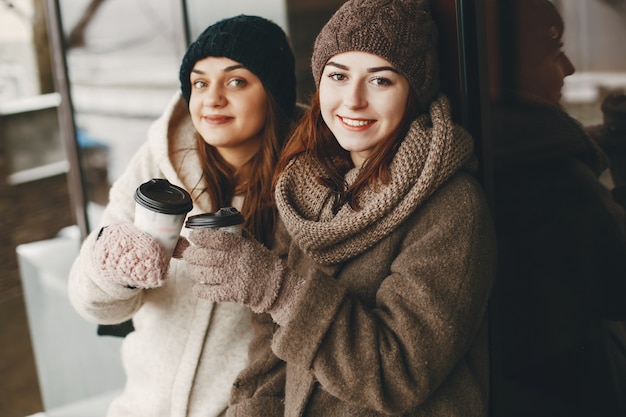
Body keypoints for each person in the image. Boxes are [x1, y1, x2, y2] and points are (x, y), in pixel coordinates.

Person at [180, 0, 498, 415]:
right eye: (338, 75)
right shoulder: (303, 187)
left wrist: (278, 289)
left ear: (414, 92)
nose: (353, 100)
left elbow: (397, 373)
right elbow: (271, 357)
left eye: (380, 80)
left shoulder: (453, 209)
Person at [67, 15, 296, 417]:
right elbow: (92, 304)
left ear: (273, 93)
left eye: (236, 81)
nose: (212, 98)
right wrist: (111, 267)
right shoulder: (158, 162)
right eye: (200, 82)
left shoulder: (304, 186)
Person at [489, 1, 626, 415]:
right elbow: (618, 281)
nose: (568, 68)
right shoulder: (548, 169)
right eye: (553, 54)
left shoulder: (495, 143)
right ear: (518, 70)